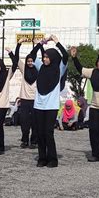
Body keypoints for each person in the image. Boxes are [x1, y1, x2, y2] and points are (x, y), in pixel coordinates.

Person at [31, 35, 68, 168]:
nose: (44, 59)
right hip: (39, 105)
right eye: (44, 57)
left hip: (51, 106)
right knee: (40, 133)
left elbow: (65, 55)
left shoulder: (59, 68)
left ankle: (52, 159)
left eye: (47, 57)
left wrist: (56, 42)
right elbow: (32, 54)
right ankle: (42, 158)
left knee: (48, 132)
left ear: (52, 58)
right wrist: (40, 44)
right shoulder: (40, 67)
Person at [14, 39, 39, 148]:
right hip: (24, 100)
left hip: (35, 100)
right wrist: (19, 44)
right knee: (24, 122)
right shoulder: (23, 68)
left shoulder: (39, 69)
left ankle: (34, 141)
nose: (30, 63)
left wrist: (39, 45)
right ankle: (24, 140)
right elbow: (16, 57)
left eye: (31, 61)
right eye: (28, 61)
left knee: (35, 122)